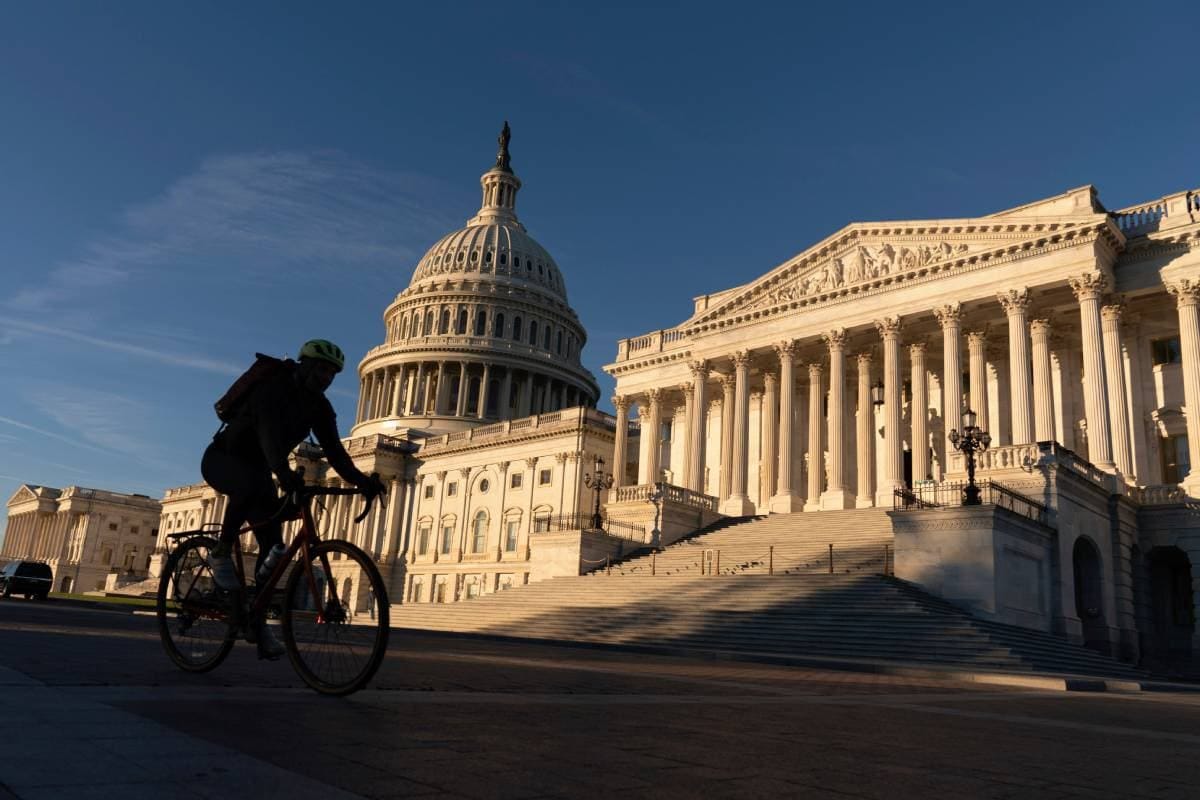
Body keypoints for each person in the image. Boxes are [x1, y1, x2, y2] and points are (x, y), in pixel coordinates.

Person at [201, 339, 385, 659]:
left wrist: (364, 482)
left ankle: (256, 621)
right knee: (246, 487)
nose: (326, 377)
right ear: (305, 365)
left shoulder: (319, 407)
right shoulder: (272, 390)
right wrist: (285, 477)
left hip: (261, 471)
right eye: (323, 369)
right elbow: (269, 439)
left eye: (332, 373)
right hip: (224, 459)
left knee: (275, 545)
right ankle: (220, 550)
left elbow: (337, 456)